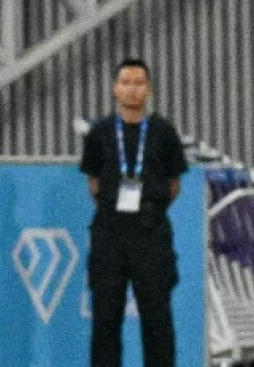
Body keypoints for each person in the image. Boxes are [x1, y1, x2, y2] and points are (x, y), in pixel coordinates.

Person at [80, 58, 187, 367]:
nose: (132, 89)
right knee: (105, 320)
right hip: (110, 232)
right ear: (115, 88)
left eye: (139, 83)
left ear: (149, 89)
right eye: (125, 82)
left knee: (157, 319)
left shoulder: (163, 131)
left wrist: (150, 209)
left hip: (150, 231)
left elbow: (174, 184)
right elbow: (94, 184)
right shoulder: (99, 132)